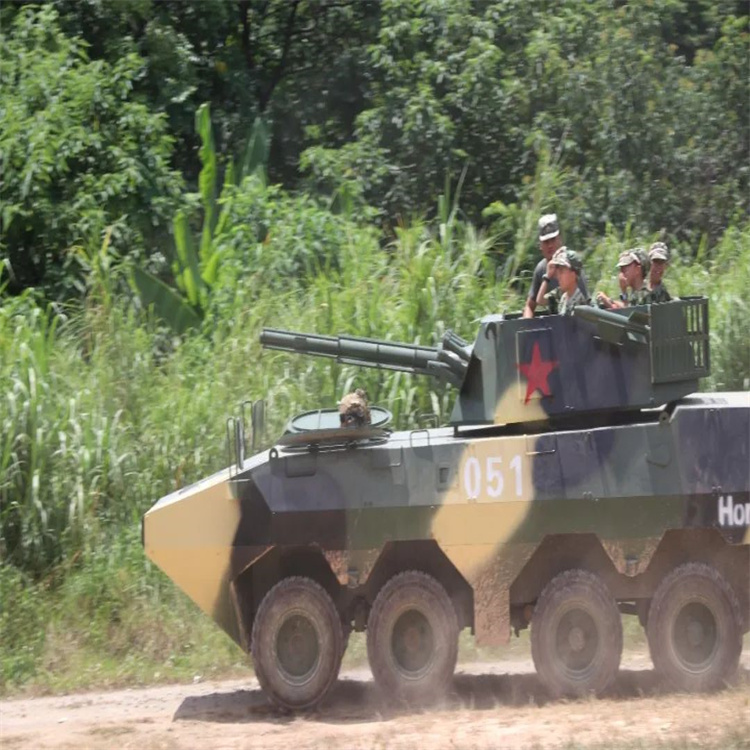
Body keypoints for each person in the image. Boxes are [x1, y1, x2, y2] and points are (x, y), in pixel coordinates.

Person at [523, 214, 589, 318]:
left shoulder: (571, 264)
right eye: (546, 242)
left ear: (560, 239)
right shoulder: (541, 269)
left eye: (553, 240)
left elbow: (587, 306)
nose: (550, 245)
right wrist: (526, 327)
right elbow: (532, 304)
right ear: (540, 245)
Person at [549, 248, 589, 316]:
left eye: (561, 271)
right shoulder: (564, 298)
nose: (558, 276)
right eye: (558, 272)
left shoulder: (582, 301)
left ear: (573, 274)